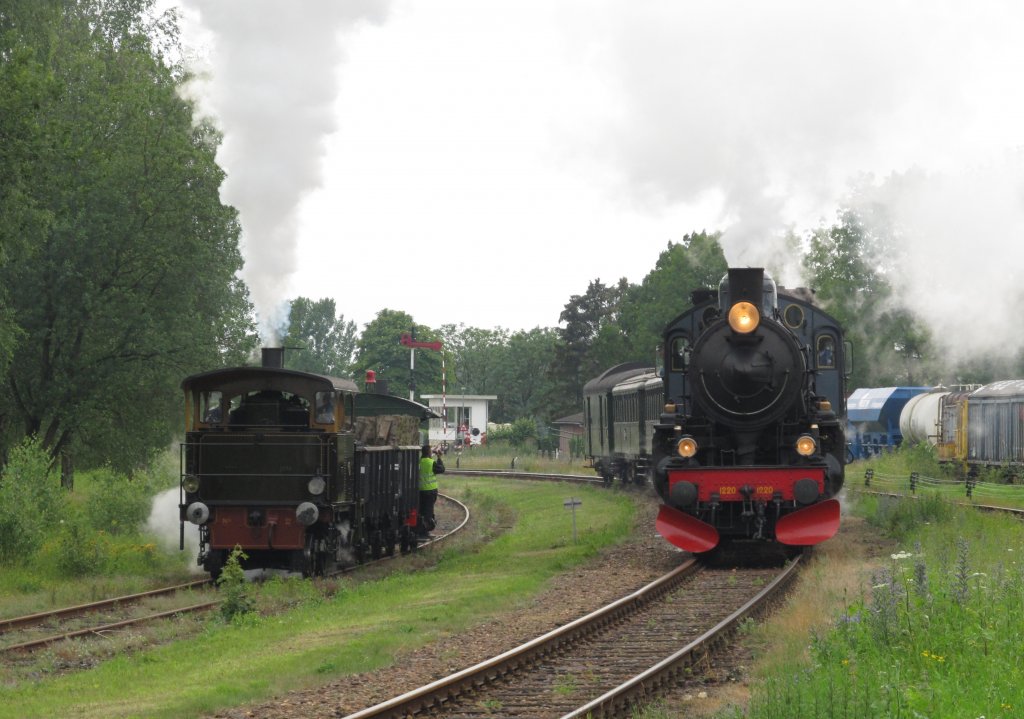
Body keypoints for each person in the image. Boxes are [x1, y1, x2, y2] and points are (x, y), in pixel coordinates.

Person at [417, 444, 444, 540]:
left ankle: (420, 530)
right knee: (428, 513)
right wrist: (439, 457)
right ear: (429, 453)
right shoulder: (430, 462)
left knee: (421, 511)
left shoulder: (419, 462)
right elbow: (441, 469)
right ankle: (424, 532)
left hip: (420, 491)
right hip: (430, 492)